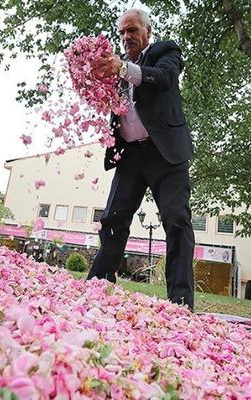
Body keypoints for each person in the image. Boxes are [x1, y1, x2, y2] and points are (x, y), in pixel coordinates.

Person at [86, 9, 194, 310]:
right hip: (130, 154)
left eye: (131, 30)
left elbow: (163, 78)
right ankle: (98, 285)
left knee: (176, 221)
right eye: (122, 32)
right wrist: (93, 77)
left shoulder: (165, 51)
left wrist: (123, 69)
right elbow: (109, 99)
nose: (126, 37)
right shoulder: (118, 66)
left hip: (165, 154)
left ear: (147, 31)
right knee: (112, 219)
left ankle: (180, 303)